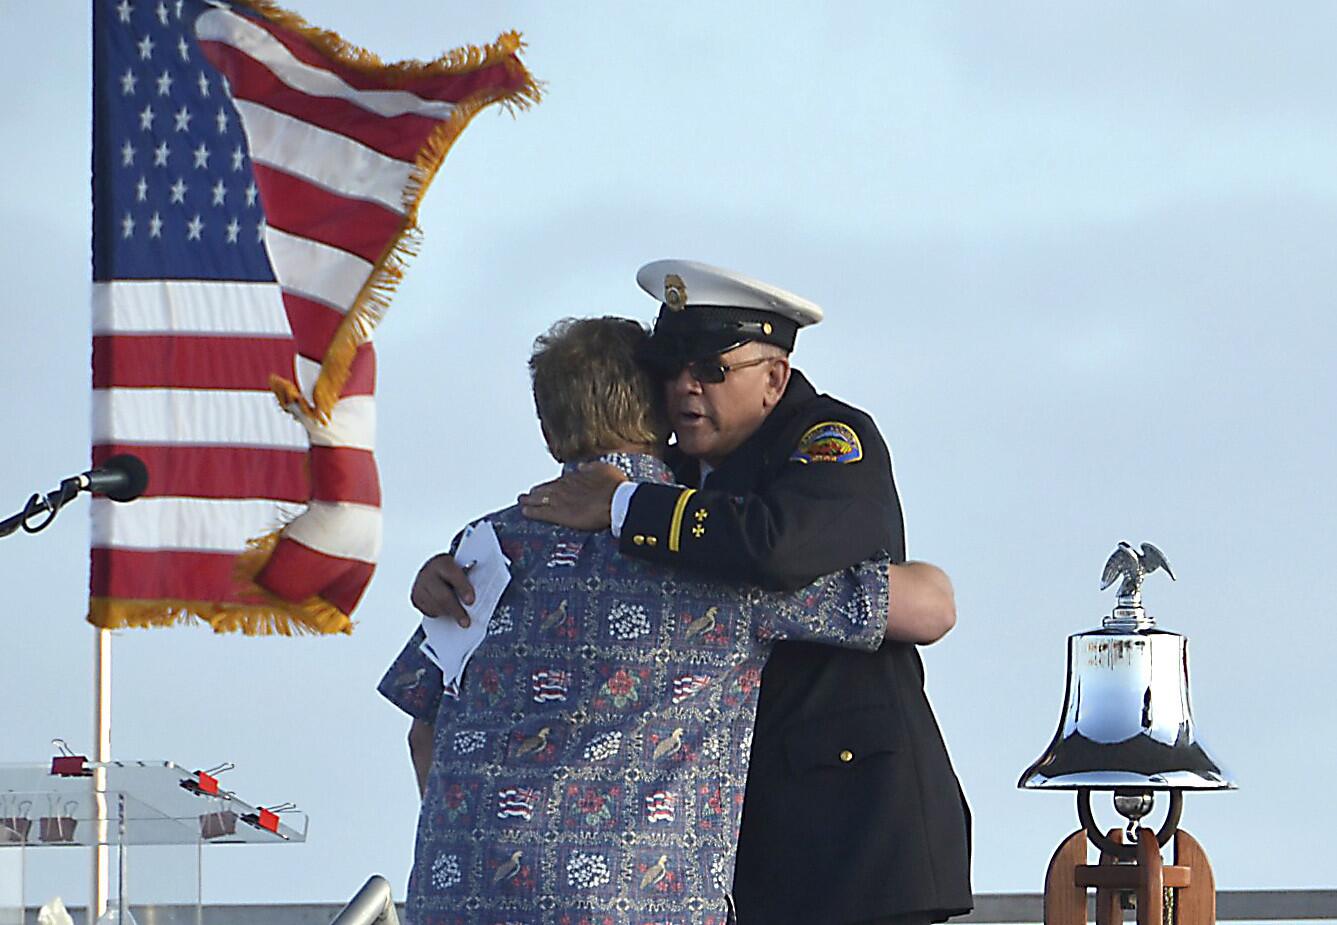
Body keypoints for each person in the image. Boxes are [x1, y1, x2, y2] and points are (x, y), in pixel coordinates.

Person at [385, 316, 956, 925]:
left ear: (549, 430)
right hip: (631, 900)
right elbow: (930, 605)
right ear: (658, 412)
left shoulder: (481, 552)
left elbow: (424, 727)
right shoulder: (708, 557)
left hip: (461, 894)